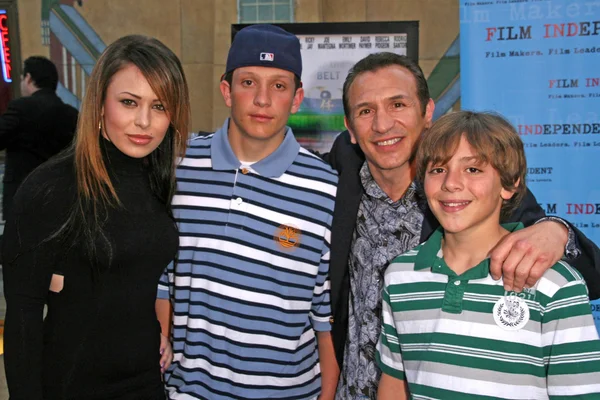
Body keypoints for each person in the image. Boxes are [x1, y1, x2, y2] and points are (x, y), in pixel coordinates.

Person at [324, 52, 600, 399]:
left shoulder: (470, 192)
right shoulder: (336, 178)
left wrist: (558, 230)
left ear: (427, 112)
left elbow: (589, 276)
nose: (382, 125)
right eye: (366, 111)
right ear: (349, 127)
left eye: (398, 104)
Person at [2, 35, 190, 400]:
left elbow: (133, 278)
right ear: (100, 103)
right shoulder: (51, 188)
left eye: (160, 106)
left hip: (147, 381)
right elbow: (23, 317)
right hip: (74, 385)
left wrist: (157, 333)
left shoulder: (158, 178)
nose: (144, 121)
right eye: (129, 102)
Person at [156, 24, 339, 400]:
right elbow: (162, 277)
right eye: (248, 83)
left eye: (278, 85)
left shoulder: (326, 188)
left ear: (297, 97)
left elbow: (325, 315)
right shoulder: (178, 165)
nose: (262, 100)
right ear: (227, 91)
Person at [376, 111, 600, 399]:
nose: (451, 183)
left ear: (509, 184)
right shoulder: (400, 276)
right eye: (437, 170)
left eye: (473, 170)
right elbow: (395, 383)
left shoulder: (556, 284)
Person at [0, 56, 78, 219]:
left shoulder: (21, 108)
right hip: (60, 198)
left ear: (28, 78)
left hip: (22, 198)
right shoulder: (71, 114)